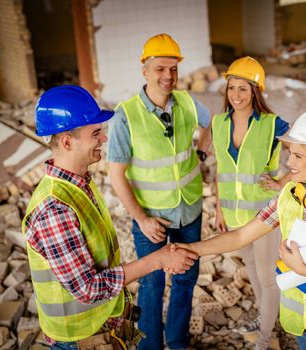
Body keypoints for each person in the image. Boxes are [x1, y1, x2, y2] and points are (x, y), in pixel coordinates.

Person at [178, 109, 306, 350]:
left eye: (298, 156)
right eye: (290, 154)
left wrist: (302, 269)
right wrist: (190, 249)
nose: (289, 162)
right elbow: (242, 235)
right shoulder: (288, 197)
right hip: (304, 327)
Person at [23, 85, 198, 350]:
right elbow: (89, 289)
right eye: (95, 133)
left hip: (101, 327)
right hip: (80, 338)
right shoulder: (54, 209)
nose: (104, 138)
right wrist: (158, 259)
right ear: (68, 142)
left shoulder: (79, 183)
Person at [107, 33, 212, 350]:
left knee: (185, 281)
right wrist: (141, 219)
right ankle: (148, 346)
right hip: (151, 218)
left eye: (173, 69)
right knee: (151, 283)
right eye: (160, 69)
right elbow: (116, 175)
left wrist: (202, 153)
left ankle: (178, 342)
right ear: (145, 70)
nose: (168, 76)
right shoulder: (127, 114)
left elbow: (212, 124)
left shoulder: (188, 103)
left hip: (190, 210)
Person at [213, 56, 290, 349]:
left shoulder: (272, 124)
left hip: (265, 215)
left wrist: (282, 182)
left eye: (243, 89)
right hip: (234, 217)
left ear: (256, 91)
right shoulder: (220, 123)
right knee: (254, 273)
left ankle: (265, 339)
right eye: (232, 88)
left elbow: (305, 153)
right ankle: (264, 318)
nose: (236, 95)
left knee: (268, 278)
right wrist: (219, 208)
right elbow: (219, 170)